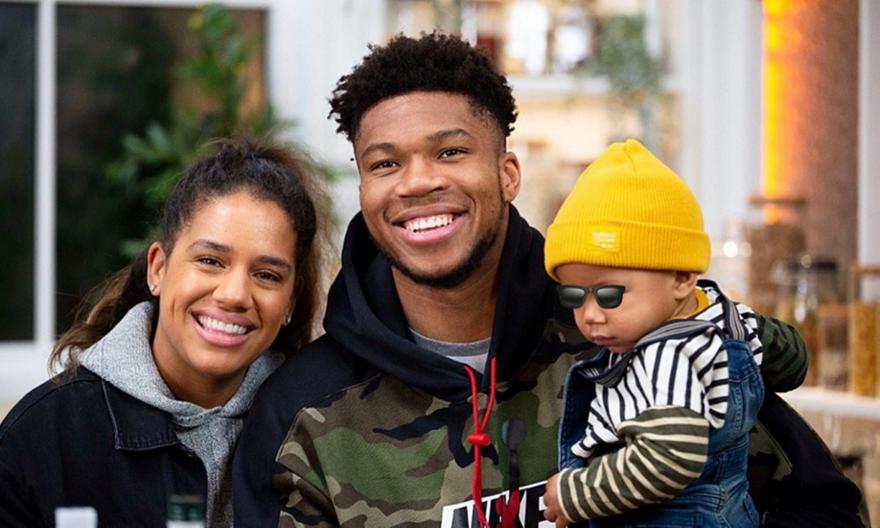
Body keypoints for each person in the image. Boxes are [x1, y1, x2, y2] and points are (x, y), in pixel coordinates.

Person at [233, 33, 865, 528]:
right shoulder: (303, 413)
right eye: (384, 163)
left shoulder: (628, 330)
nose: (418, 181)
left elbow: (826, 507)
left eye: (450, 152)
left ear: (508, 173)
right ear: (364, 189)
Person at [0, 137, 331, 527]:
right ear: (158, 268)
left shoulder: (320, 430)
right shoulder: (43, 437)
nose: (234, 294)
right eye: (210, 261)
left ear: (291, 301)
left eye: (267, 275)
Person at [541, 139, 763, 527]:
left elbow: (671, 456)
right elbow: (790, 356)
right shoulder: (728, 316)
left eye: (610, 295)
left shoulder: (664, 355)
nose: (590, 315)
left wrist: (576, 493)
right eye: (574, 295)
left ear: (681, 278)